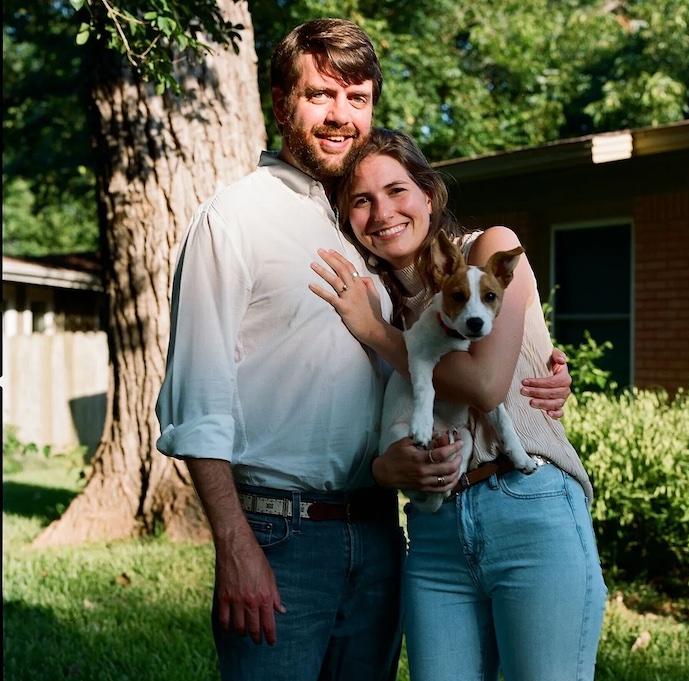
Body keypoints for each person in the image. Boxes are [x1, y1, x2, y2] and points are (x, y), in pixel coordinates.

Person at [156, 18, 573, 681]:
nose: (339, 115)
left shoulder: (371, 230)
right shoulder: (234, 219)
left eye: (358, 98)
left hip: (384, 534)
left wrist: (545, 369)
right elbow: (194, 402)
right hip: (280, 534)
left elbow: (451, 344)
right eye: (320, 94)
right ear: (279, 102)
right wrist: (234, 546)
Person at [310, 128, 606, 681]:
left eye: (397, 190)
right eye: (361, 200)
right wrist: (384, 467)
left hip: (529, 507)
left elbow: (486, 385)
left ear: (428, 193)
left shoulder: (490, 248)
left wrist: (374, 333)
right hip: (436, 532)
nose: (382, 212)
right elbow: (367, 430)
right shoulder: (377, 303)